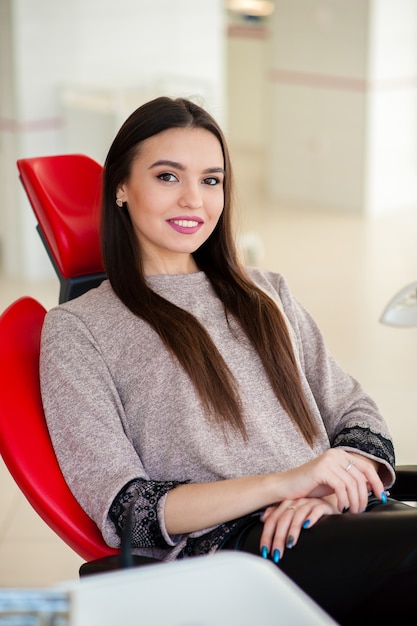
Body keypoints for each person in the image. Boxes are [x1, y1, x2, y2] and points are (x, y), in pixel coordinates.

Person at [40, 96, 417, 624]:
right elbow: (130, 511)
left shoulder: (267, 292)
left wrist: (329, 493)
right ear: (121, 187)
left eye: (211, 180)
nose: (193, 200)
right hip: (240, 551)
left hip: (343, 517)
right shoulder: (78, 329)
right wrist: (288, 483)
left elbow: (356, 412)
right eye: (168, 177)